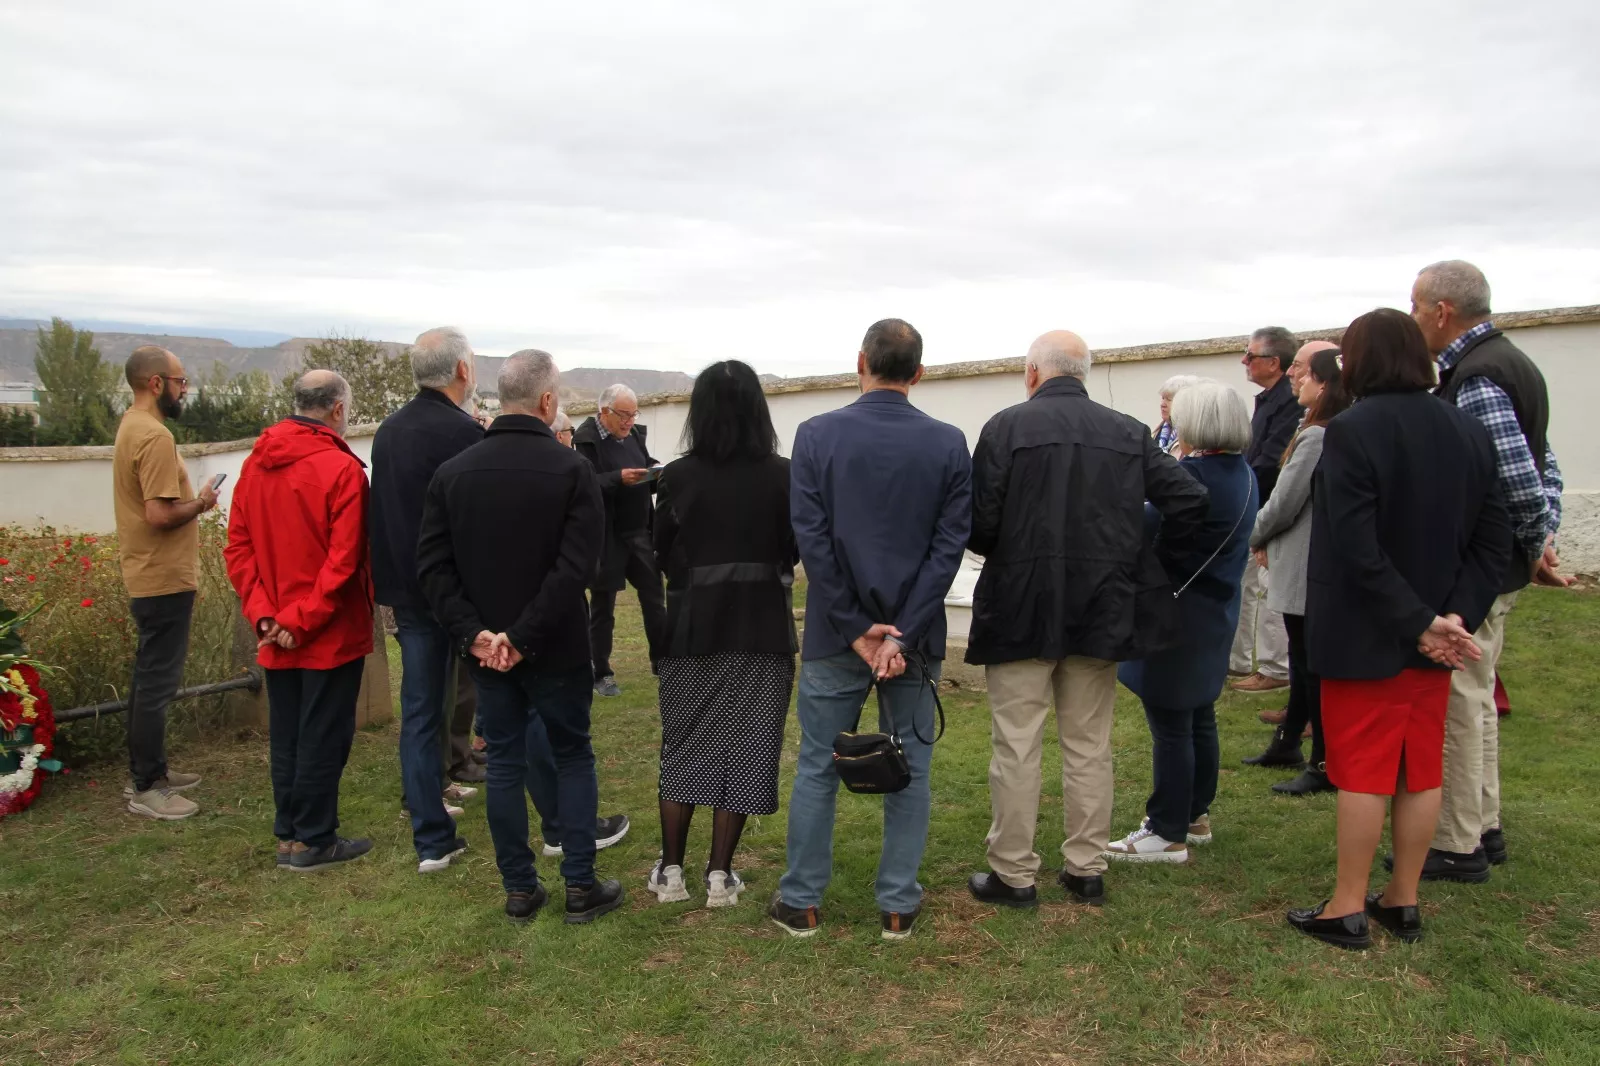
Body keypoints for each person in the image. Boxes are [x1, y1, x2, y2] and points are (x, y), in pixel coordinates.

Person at [1288, 308, 1510, 950]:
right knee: (1419, 770)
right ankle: (1403, 898)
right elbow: (1493, 540)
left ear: (1359, 361)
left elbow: (1355, 545)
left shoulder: (1351, 431)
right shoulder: (1468, 430)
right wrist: (1453, 617)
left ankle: (1348, 907)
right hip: (1437, 630)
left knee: (1362, 772)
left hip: (1371, 630)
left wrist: (1423, 624)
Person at [963, 333, 1209, 905]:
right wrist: (1145, 562)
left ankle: (1014, 872)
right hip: (1101, 605)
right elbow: (1189, 499)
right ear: (1084, 374)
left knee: (1017, 743)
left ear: (1032, 374)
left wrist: (1149, 562)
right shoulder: (1126, 430)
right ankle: (1085, 866)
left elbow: (980, 523)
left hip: (1022, 604)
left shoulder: (1006, 427)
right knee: (1088, 741)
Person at [769, 318, 970, 941]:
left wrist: (861, 629)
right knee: (910, 768)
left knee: (817, 767)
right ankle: (897, 904)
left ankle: (802, 899)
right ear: (919, 372)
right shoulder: (947, 442)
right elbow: (948, 548)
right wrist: (899, 633)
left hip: (840, 632)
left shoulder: (816, 435)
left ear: (861, 362)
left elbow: (814, 543)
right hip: (904, 635)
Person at [417, 349, 624, 925]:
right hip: (551, 643)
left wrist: (480, 635)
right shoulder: (571, 470)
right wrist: (519, 635)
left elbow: (433, 569)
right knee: (571, 754)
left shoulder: (453, 474)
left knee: (505, 762)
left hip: (491, 651)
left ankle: (520, 888)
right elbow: (577, 567)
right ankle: (579, 884)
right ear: (548, 401)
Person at [1406, 259, 1569, 882]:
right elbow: (1545, 466)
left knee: (1459, 700)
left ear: (1441, 310)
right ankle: (1485, 825)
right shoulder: (1513, 362)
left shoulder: (1477, 375)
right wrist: (1541, 540)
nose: (1416, 318)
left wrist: (1532, 545)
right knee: (1476, 695)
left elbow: (1517, 479)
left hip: (1480, 565)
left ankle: (1456, 840)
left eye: (1417, 306)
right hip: (1500, 561)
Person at [647, 360, 797, 909]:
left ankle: (669, 871)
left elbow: (660, 550)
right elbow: (793, 546)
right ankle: (719, 874)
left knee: (685, 745)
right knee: (744, 746)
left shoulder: (676, 476)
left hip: (692, 627)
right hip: (762, 626)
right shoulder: (784, 474)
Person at [224, 371, 375, 871]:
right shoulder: (342, 469)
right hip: (325, 630)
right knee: (323, 734)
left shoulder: (254, 466)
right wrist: (297, 618)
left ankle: (290, 832)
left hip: (279, 629)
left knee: (288, 733)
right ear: (337, 409)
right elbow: (344, 558)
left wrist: (267, 615)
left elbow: (239, 549)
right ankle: (313, 837)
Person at [1107, 381, 1256, 863]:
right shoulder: (1243, 473)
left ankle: (1166, 830)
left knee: (1172, 723)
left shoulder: (1196, 476)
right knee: (1197, 715)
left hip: (1178, 612)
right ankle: (1194, 814)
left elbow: (1139, 527)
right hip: (1213, 608)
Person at [370, 327, 483, 873]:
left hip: (407, 592)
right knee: (492, 703)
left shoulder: (388, 431)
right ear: (463, 371)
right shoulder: (463, 434)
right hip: (456, 595)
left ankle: (430, 832)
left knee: (421, 708)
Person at [112, 345, 217, 820]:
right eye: (180, 381)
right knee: (157, 683)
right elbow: (158, 513)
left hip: (148, 572)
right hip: (162, 576)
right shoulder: (153, 435)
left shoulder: (129, 425)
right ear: (156, 383)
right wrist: (201, 503)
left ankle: (150, 769)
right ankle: (148, 786)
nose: (183, 389)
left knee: (147, 679)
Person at [1243, 347, 1351, 794]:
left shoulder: (1317, 436)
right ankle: (1289, 741)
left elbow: (1285, 501)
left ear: (1324, 384)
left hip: (1303, 561)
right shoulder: (1319, 430)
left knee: (1309, 663)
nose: (1297, 380)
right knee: (1305, 661)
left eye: (1306, 375)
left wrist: (1254, 534)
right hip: (1301, 557)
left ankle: (1322, 761)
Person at [574, 384, 668, 697]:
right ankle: (601, 672)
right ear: (605, 412)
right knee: (604, 606)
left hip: (639, 532)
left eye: (633, 414)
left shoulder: (634, 437)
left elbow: (644, 463)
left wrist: (655, 473)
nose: (629, 421)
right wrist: (618, 478)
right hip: (607, 537)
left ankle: (662, 661)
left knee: (654, 597)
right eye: (624, 415)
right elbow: (585, 484)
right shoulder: (585, 440)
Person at [1229, 326, 1301, 694]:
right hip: (1257, 503)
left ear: (1273, 363)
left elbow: (1271, 459)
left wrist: (1241, 483)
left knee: (1270, 587)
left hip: (1273, 506)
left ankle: (1276, 667)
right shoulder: (1272, 398)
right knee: (1247, 584)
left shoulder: (1288, 400)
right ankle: (1239, 660)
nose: (1245, 360)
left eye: (1251, 355)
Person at [1153, 375, 1201, 456]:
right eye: (1163, 398)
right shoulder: (1157, 433)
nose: (1162, 404)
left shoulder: (1193, 438)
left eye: (1169, 399)